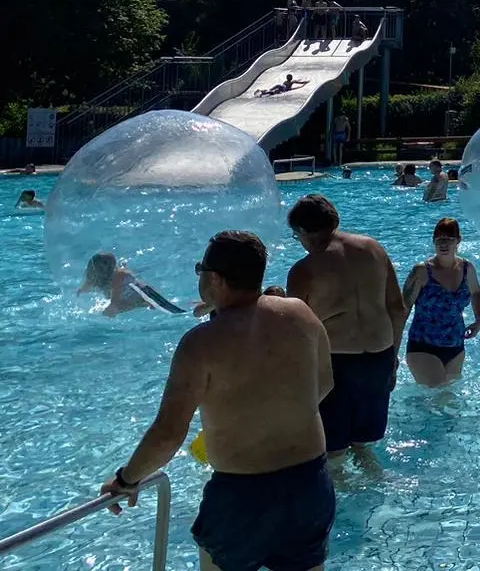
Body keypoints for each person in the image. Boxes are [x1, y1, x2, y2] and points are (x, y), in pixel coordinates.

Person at [98, 231, 336, 571]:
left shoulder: (200, 344)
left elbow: (168, 433)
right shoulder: (300, 315)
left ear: (215, 279)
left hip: (243, 495)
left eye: (200, 269)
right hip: (309, 483)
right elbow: (325, 382)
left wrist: (126, 480)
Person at [286, 194, 406, 460]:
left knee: (334, 453)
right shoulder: (374, 249)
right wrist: (393, 358)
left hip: (334, 364)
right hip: (380, 355)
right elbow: (397, 308)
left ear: (303, 232)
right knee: (365, 445)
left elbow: (295, 332)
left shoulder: (304, 270)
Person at [401, 218, 480, 388]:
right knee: (439, 397)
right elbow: (403, 309)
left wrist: (479, 320)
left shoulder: (467, 269)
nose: (443, 244)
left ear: (458, 241)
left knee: (449, 402)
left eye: (448, 239)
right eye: (439, 240)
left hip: (455, 347)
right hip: (423, 347)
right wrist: (392, 350)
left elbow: (476, 292)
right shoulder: (422, 271)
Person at [78, 251, 186, 316]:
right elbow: (85, 287)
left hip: (144, 293)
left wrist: (112, 308)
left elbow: (114, 302)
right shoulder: (95, 279)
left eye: (107, 267)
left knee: (174, 311)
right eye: (100, 269)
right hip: (131, 300)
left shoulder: (117, 276)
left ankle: (191, 306)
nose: (103, 270)